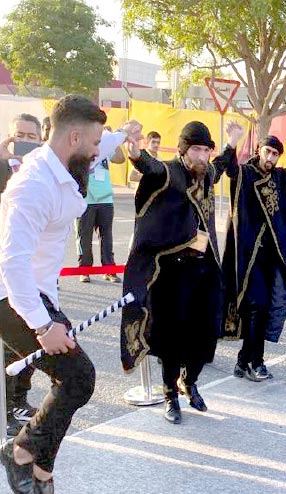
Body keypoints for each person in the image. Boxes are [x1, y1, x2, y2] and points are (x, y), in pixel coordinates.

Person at [0, 94, 107, 493]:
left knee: (75, 380)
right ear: (74, 138)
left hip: (38, 291)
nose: (98, 152)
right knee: (79, 376)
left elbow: (104, 142)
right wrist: (44, 326)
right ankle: (20, 452)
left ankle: (39, 470)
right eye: (95, 143)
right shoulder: (33, 184)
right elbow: (12, 266)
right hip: (10, 296)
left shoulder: (61, 164)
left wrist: (122, 137)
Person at [121, 120, 243, 424]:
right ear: (183, 150)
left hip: (205, 267)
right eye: (196, 150)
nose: (202, 156)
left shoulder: (207, 172)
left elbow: (221, 163)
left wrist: (232, 141)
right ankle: (170, 395)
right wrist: (134, 151)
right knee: (172, 336)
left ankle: (189, 381)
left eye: (205, 150)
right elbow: (149, 167)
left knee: (206, 331)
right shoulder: (169, 172)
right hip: (172, 271)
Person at [223, 130, 286, 382]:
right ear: (258, 151)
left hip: (270, 258)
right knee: (257, 307)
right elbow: (229, 169)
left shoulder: (281, 178)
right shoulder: (245, 173)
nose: (270, 157)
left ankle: (243, 361)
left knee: (262, 309)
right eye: (267, 151)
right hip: (248, 256)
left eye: (275, 154)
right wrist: (231, 142)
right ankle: (256, 362)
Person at [0, 114, 45, 436]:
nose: (25, 141)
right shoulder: (3, 168)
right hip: (7, 271)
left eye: (32, 136)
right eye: (20, 135)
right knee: (9, 345)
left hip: (37, 269)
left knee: (32, 341)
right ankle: (5, 408)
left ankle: (19, 399)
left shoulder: (42, 171)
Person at [75, 127, 128, 283]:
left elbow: (120, 159)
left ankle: (109, 270)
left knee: (107, 236)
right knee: (84, 236)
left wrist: (114, 139)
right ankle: (84, 270)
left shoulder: (105, 147)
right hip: (86, 199)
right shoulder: (83, 147)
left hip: (105, 198)